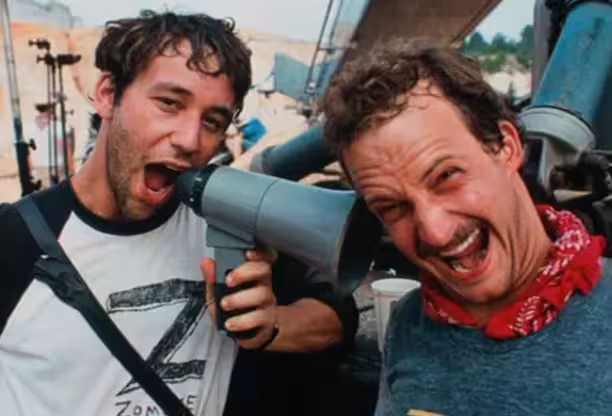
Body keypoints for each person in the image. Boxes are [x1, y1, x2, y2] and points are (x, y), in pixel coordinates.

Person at [0, 11, 350, 416]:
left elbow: (337, 313)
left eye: (212, 121)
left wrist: (271, 325)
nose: (189, 140)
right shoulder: (15, 239)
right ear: (108, 94)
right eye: (169, 103)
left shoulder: (229, 219)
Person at [323, 37, 611, 415]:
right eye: (393, 208)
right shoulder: (409, 322)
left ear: (506, 146)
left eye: (447, 176)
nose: (435, 232)